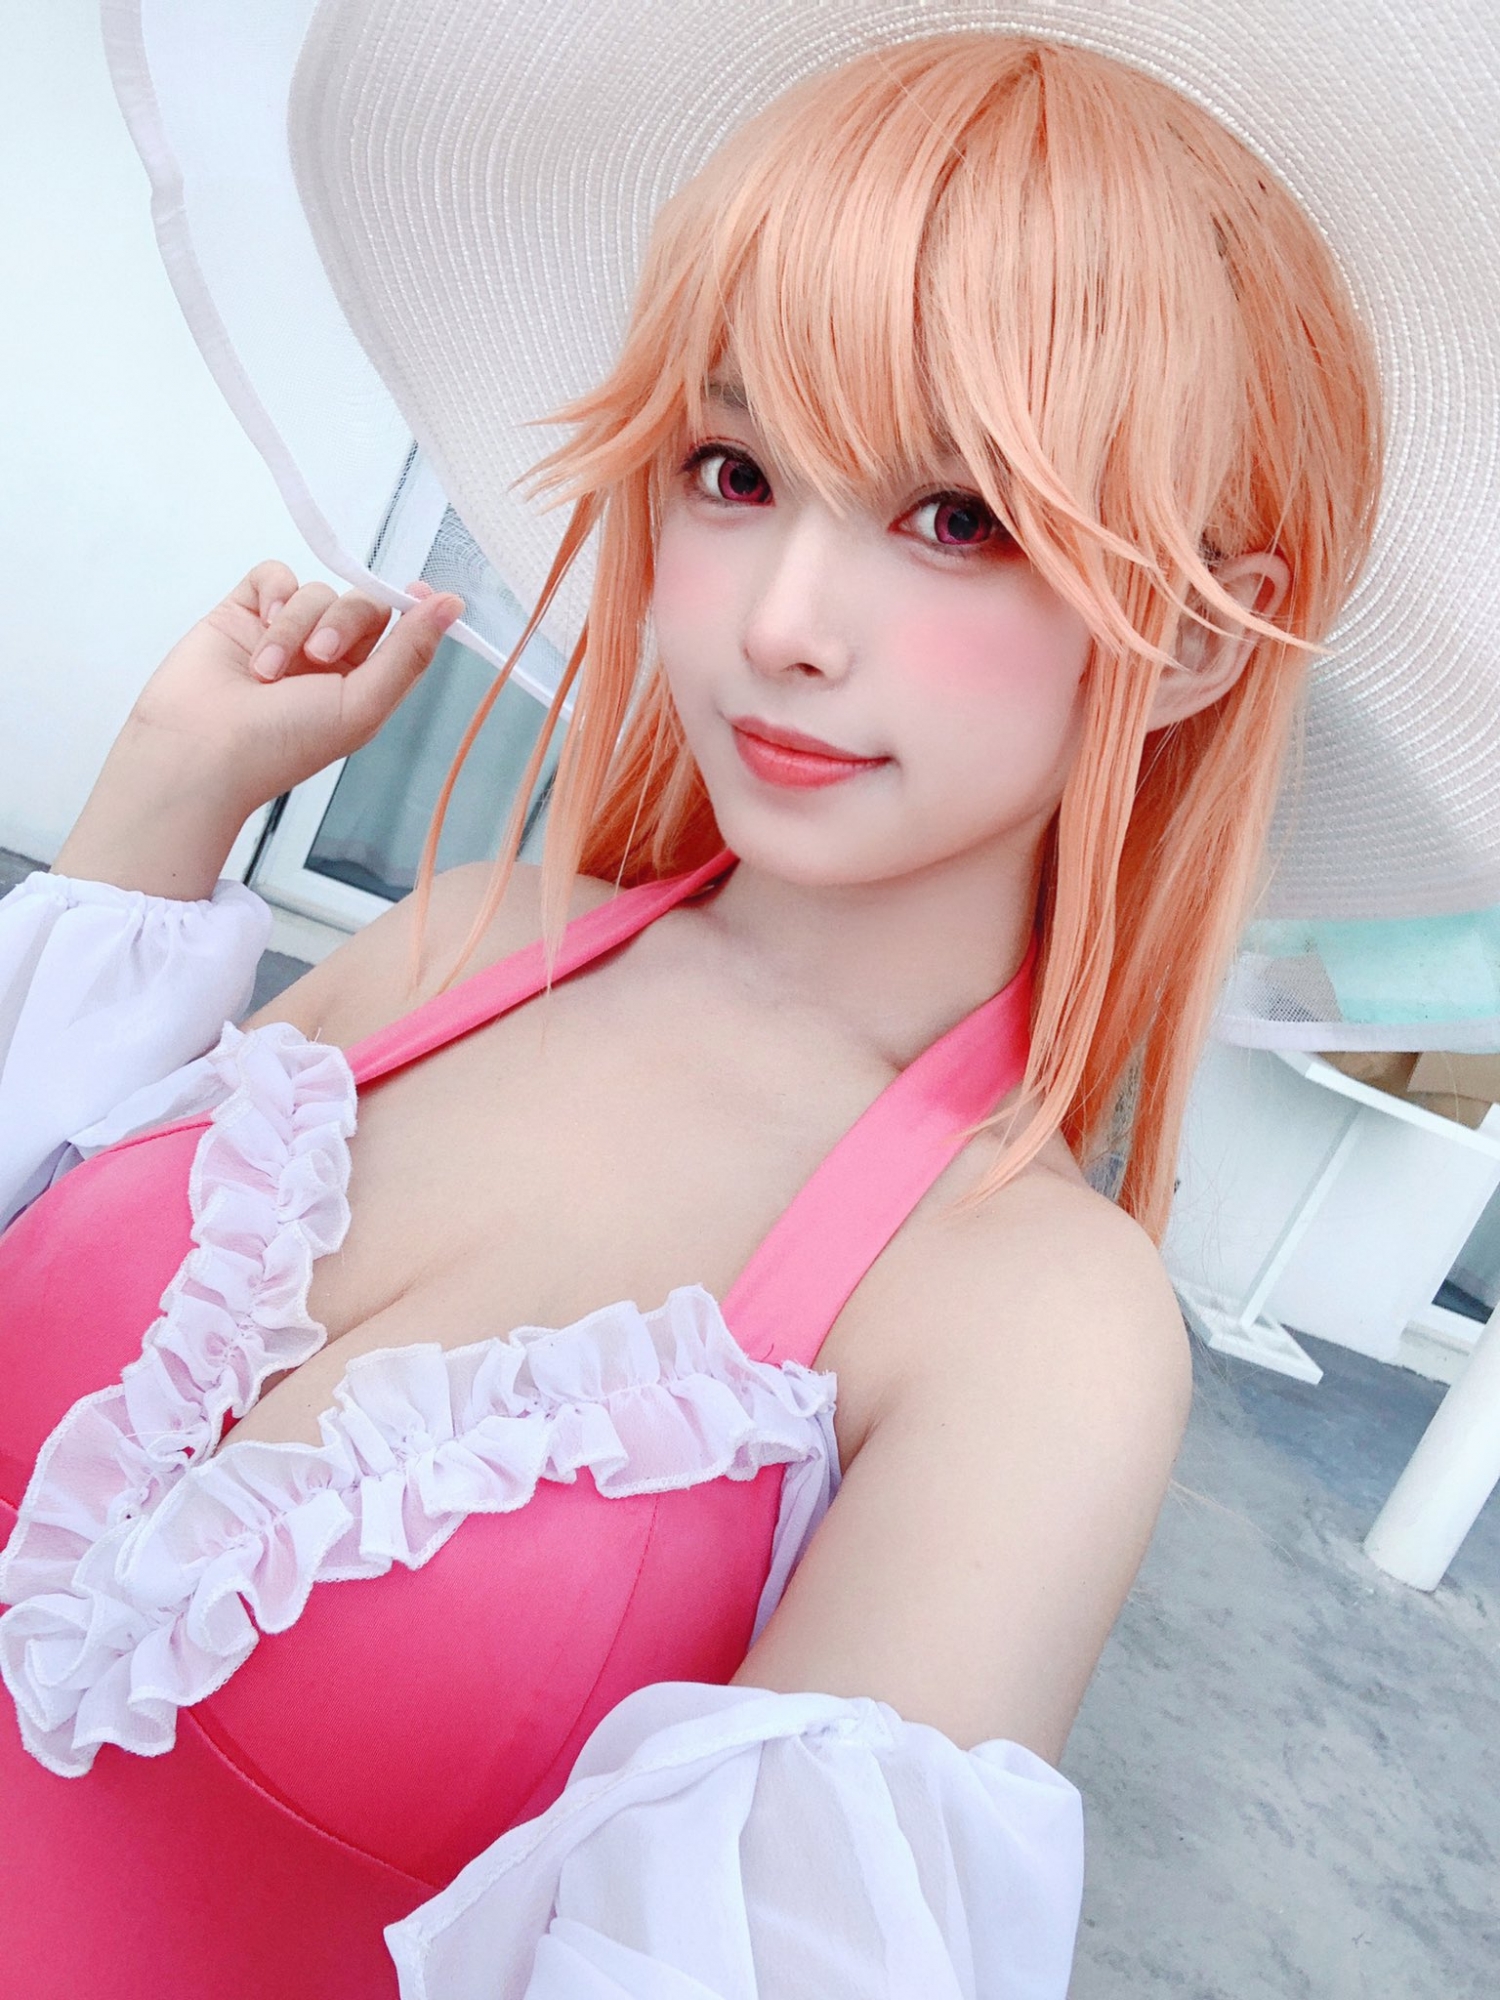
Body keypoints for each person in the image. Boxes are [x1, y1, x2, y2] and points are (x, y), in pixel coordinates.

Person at [0, 17, 1387, 1999]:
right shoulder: (469, 940)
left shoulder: (1030, 1322)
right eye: (733, 472)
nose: (781, 623)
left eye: (959, 517)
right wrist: (167, 799)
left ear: (1180, 637)